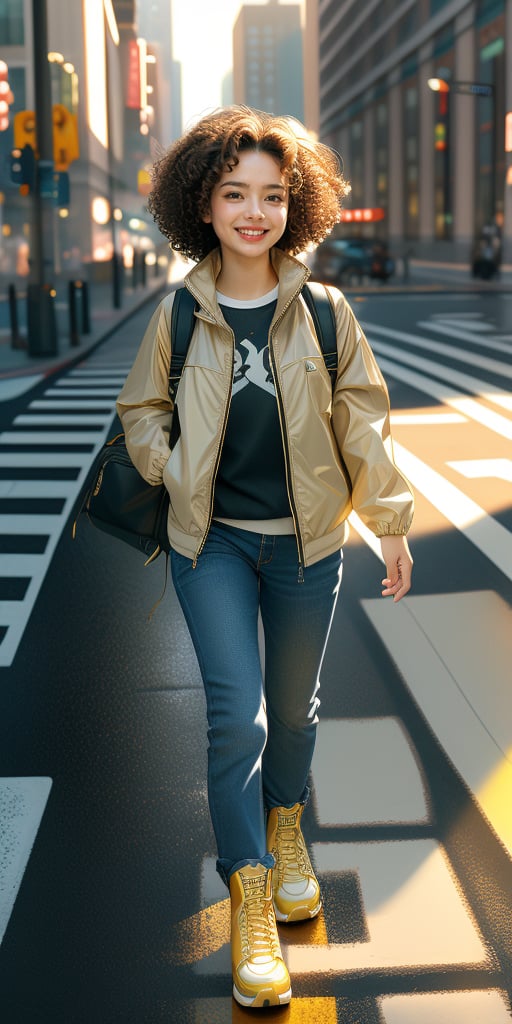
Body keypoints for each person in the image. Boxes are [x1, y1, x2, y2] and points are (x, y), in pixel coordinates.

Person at [116, 106, 414, 1010]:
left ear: (297, 205)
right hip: (207, 545)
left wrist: (390, 518)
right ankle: (250, 889)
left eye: (273, 196)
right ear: (201, 205)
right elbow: (141, 415)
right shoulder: (178, 312)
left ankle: (287, 828)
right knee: (234, 714)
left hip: (306, 546)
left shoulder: (324, 312)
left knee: (294, 708)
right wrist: (174, 474)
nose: (254, 212)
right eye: (234, 193)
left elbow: (362, 415)